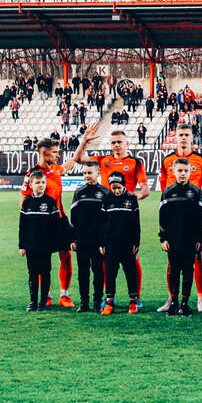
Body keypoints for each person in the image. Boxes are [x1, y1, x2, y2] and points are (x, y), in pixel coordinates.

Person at [71, 122, 150, 300]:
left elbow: (145, 190)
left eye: (119, 142)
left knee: (132, 257)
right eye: (113, 142)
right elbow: (78, 159)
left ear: (127, 143)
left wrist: (129, 200)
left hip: (126, 216)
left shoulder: (135, 162)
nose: (116, 145)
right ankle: (109, 297)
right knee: (106, 257)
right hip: (106, 216)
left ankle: (135, 297)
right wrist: (84, 142)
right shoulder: (103, 160)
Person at [158, 124, 202, 313]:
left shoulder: (201, 159)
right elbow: (163, 185)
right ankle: (172, 299)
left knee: (198, 258)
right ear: (175, 137)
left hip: (192, 219)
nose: (183, 138)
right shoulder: (167, 160)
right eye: (180, 134)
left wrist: (195, 202)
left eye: (187, 135)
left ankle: (201, 298)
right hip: (173, 219)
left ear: (192, 137)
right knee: (172, 262)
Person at [22, 137, 75, 307]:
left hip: (60, 219)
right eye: (55, 152)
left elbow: (70, 163)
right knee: (41, 258)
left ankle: (64, 296)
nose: (58, 155)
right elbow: (24, 202)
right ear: (45, 153)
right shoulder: (32, 174)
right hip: (42, 223)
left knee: (66, 255)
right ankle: (46, 296)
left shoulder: (56, 169)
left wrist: (84, 142)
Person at [157, 157, 202, 317]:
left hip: (190, 240)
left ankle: (185, 304)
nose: (183, 173)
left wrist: (200, 239)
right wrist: (163, 238)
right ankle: (174, 303)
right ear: (173, 171)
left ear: (190, 172)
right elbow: (162, 217)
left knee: (188, 271)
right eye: (179, 170)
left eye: (186, 170)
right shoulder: (167, 192)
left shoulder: (196, 192)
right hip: (173, 239)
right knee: (173, 270)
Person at [18, 168, 65, 312]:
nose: (41, 185)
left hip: (45, 245)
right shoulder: (27, 202)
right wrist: (22, 245)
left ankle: (43, 302)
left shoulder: (50, 202)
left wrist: (55, 244)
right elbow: (22, 226)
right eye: (37, 182)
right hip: (31, 245)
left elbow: (56, 225)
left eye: (43, 182)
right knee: (32, 273)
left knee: (45, 273)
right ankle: (33, 301)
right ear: (31, 185)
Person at [68, 163, 108, 312]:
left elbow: (108, 219)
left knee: (98, 271)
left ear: (98, 173)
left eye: (89, 172)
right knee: (83, 272)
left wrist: (105, 241)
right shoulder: (79, 192)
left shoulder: (105, 192)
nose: (86, 175)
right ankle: (84, 303)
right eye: (84, 173)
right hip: (82, 239)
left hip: (98, 241)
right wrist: (73, 239)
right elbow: (73, 217)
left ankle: (97, 303)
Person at [99, 171, 141, 315]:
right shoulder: (107, 199)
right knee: (110, 274)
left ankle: (133, 302)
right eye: (114, 188)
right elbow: (102, 223)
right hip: (110, 244)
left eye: (119, 187)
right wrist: (102, 243)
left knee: (130, 273)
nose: (116, 191)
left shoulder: (131, 198)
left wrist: (136, 242)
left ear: (123, 185)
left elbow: (136, 222)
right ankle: (109, 303)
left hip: (127, 244)